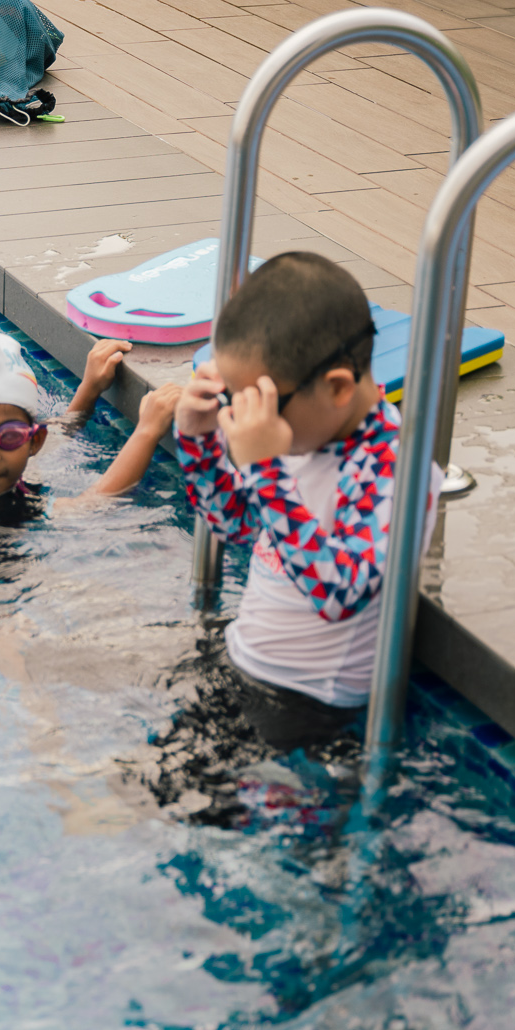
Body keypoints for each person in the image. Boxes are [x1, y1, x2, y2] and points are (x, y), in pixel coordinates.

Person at [170, 251, 442, 755]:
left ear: (337, 387)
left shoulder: (394, 468)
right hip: (242, 665)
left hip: (307, 708)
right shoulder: (298, 439)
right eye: (235, 399)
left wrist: (263, 468)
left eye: (260, 402)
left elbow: (340, 592)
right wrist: (198, 439)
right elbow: (237, 527)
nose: (246, 419)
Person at [0, 328, 181, 515]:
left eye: (10, 436)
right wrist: (146, 432)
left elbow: (60, 431)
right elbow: (91, 505)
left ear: (35, 440)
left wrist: (90, 388)